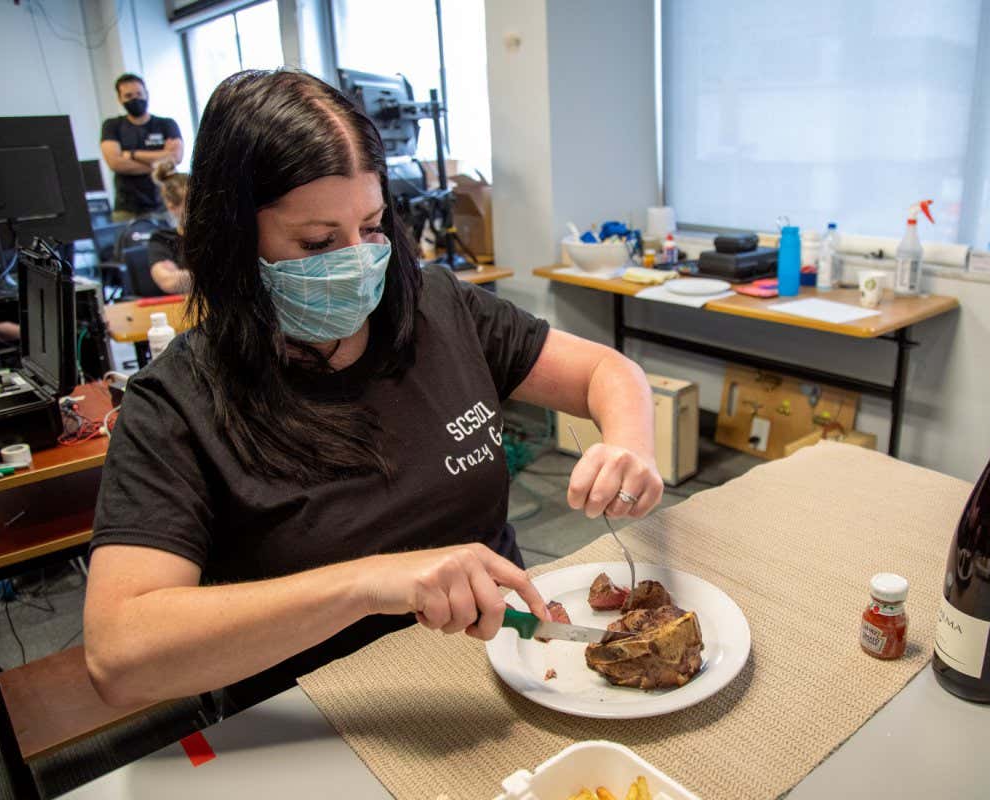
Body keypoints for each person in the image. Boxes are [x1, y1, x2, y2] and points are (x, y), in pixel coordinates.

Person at [82, 70, 664, 712]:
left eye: (371, 224)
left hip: (510, 665)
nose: (357, 259)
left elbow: (606, 373)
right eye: (318, 242)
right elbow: (118, 658)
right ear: (233, 241)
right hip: (329, 713)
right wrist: (369, 583)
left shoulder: (438, 308)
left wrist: (631, 445)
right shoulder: (175, 404)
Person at [99, 74, 184, 222]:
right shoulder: (112, 126)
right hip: (127, 209)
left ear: (147, 94)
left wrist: (131, 154)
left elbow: (175, 158)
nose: (135, 99)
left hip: (163, 205)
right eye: (129, 96)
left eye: (139, 94)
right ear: (120, 99)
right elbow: (115, 163)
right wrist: (160, 163)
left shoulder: (166, 125)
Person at [147, 160, 190, 294]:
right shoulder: (161, 240)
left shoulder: (218, 235)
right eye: (192, 204)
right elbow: (169, 282)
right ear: (172, 207)